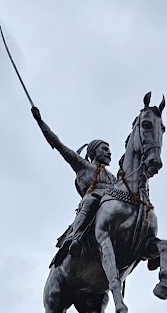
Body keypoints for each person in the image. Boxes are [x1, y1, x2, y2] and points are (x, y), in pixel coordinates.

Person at [31, 105, 116, 257]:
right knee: (90, 201)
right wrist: (40, 121)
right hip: (93, 200)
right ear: (93, 152)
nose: (109, 152)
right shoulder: (83, 166)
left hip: (110, 205)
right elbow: (57, 144)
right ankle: (75, 237)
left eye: (108, 149)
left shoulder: (113, 177)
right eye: (104, 149)